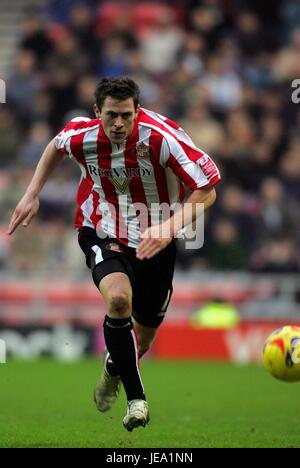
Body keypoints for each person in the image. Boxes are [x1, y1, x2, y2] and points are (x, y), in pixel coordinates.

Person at [8, 77, 220, 431]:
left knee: (143, 339)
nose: (119, 124)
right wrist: (32, 193)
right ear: (97, 112)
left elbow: (207, 190)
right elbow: (56, 146)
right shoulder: (84, 136)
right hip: (101, 227)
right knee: (119, 299)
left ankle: (113, 367)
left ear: (137, 112)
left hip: (156, 238)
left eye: (126, 115)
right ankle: (138, 400)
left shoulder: (161, 138)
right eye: (111, 116)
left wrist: (167, 229)